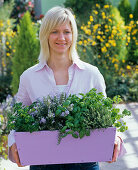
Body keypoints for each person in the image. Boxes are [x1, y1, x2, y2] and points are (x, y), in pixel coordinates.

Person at [8, 6, 126, 170]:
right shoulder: (29, 77)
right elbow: (17, 117)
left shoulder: (91, 74)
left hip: (85, 161)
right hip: (42, 162)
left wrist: (117, 137)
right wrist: (13, 142)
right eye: (54, 31)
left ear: (73, 35)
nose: (61, 37)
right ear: (45, 35)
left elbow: (107, 114)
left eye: (67, 32)